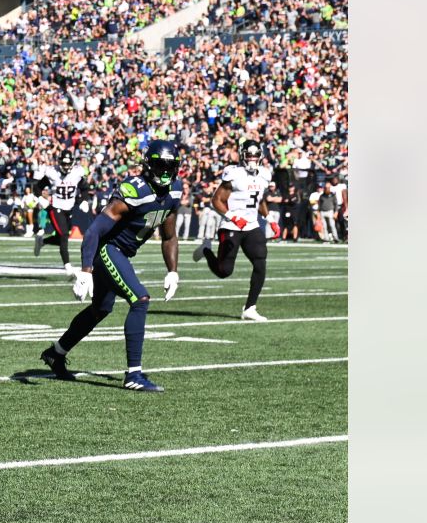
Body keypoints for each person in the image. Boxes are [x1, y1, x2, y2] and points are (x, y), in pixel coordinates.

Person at [40, 139, 183, 393]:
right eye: (160, 165)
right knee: (140, 299)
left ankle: (56, 353)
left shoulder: (173, 192)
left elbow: (170, 236)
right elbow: (94, 230)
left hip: (122, 253)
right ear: (148, 165)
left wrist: (172, 271)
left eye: (169, 167)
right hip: (107, 250)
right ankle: (134, 374)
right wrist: (85, 271)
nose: (164, 172)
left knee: (100, 310)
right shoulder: (134, 190)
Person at [194, 139, 272, 322]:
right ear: (242, 155)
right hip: (231, 225)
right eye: (249, 155)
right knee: (224, 271)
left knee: (260, 263)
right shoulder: (233, 174)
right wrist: (233, 217)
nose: (252, 159)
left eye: (255, 155)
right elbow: (216, 200)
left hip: (252, 225)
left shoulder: (264, 175)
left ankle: (250, 308)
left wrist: (268, 218)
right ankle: (206, 250)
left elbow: (259, 200)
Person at [34, 149, 88, 276]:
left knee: (61, 237)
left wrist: (84, 200)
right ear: (59, 162)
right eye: (63, 164)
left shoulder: (76, 173)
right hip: (56, 207)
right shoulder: (53, 173)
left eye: (68, 164)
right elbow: (37, 187)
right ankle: (67, 265)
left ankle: (42, 242)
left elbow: (84, 188)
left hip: (69, 208)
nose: (66, 166)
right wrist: (42, 199)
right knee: (63, 235)